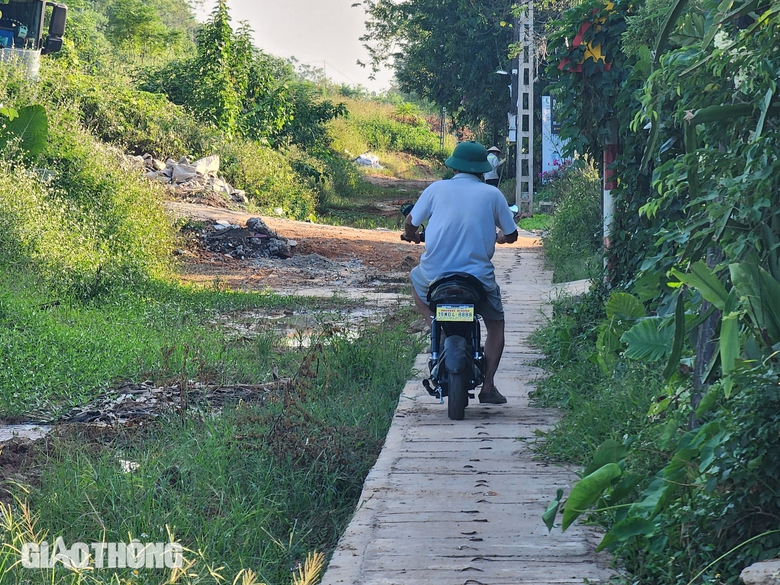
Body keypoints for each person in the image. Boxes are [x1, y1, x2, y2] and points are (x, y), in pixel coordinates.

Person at [403, 141, 519, 404]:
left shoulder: (436, 189)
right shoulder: (493, 195)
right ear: (481, 170)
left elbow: (411, 222)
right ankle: (488, 386)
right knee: (496, 326)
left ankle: (436, 323)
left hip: (435, 276)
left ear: (453, 166)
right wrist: (502, 237)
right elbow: (512, 234)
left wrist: (410, 235)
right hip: (478, 279)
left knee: (414, 278)